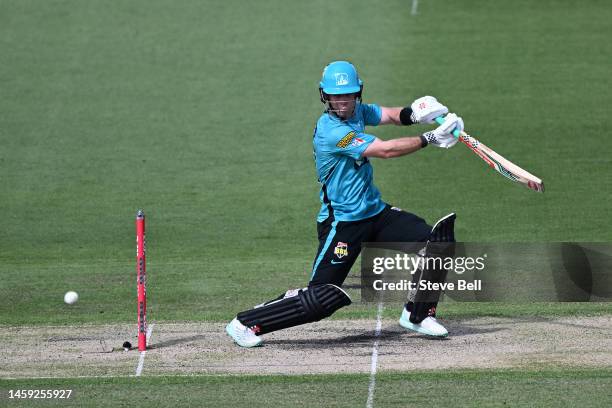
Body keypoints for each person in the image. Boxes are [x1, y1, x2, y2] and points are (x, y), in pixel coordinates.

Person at [226, 60, 463, 347]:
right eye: (336, 96)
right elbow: (384, 150)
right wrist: (430, 138)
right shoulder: (332, 131)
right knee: (321, 298)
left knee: (436, 242)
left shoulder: (357, 112)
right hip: (342, 224)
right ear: (325, 96)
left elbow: (388, 115)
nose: (342, 102)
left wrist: (415, 113)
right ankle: (245, 322)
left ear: (356, 93)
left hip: (375, 213)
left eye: (348, 95)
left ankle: (417, 315)